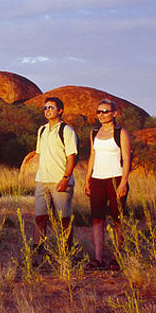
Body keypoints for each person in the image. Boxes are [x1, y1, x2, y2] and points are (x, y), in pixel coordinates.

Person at [88, 99, 133, 264]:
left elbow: (126, 159)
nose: (101, 115)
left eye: (105, 111)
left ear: (114, 113)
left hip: (116, 178)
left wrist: (123, 182)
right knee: (97, 219)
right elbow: (92, 156)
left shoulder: (121, 133)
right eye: (99, 112)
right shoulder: (94, 132)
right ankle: (98, 258)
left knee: (117, 219)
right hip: (97, 179)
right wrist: (87, 180)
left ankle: (117, 257)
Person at [33, 97, 78, 243]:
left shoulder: (67, 131)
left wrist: (65, 178)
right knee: (40, 217)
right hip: (42, 181)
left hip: (60, 181)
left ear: (60, 110)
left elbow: (71, 157)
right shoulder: (42, 130)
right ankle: (37, 249)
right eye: (45, 108)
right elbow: (40, 154)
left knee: (64, 219)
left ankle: (66, 250)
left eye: (51, 107)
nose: (47, 111)